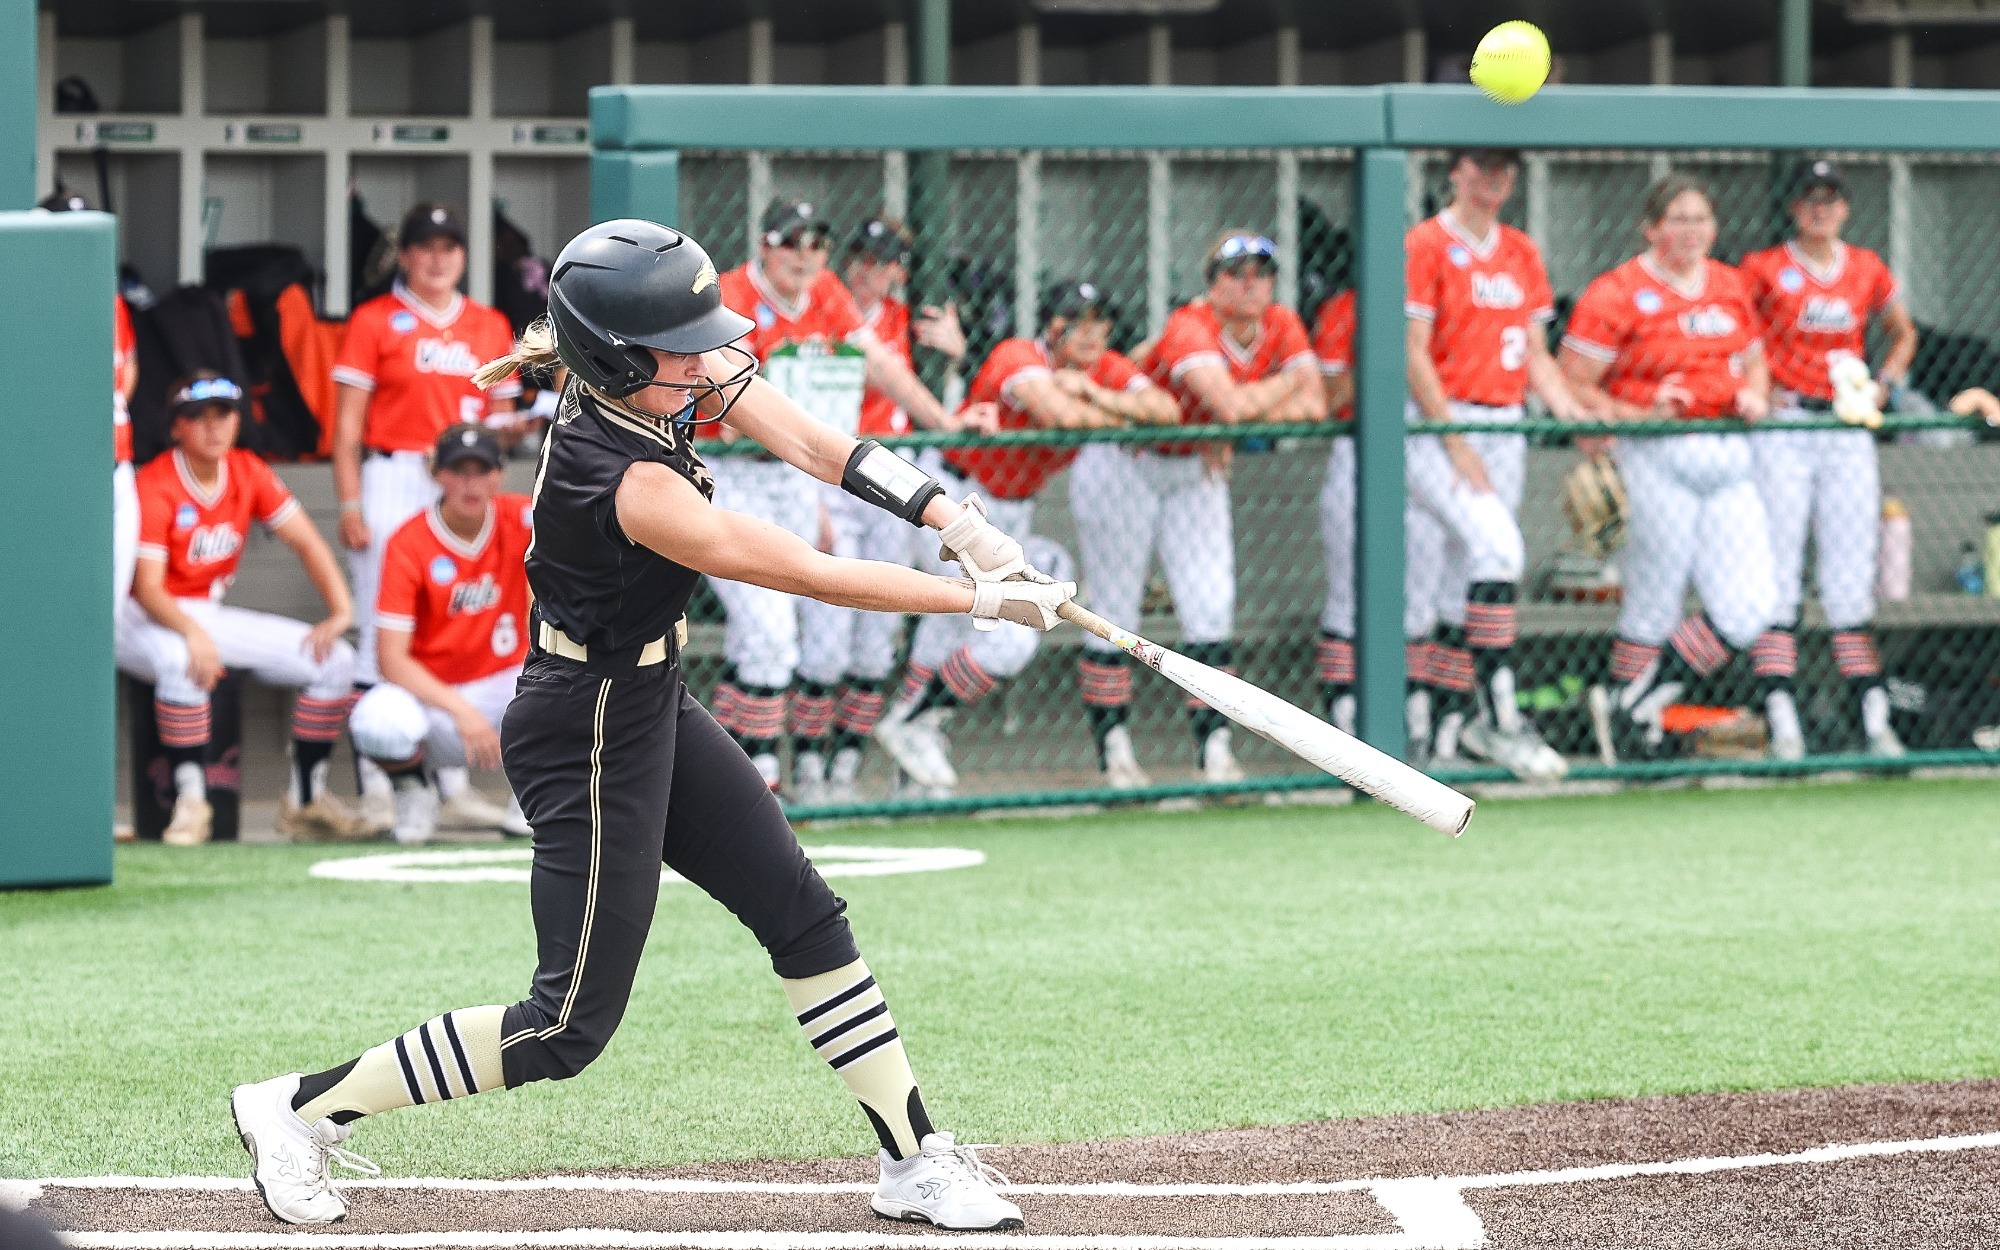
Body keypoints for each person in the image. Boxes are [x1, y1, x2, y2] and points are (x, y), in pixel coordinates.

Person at [228, 220, 1070, 1232]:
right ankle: (298, 1107)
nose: (707, 358)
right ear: (620, 357)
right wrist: (975, 601)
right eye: (680, 344)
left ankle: (912, 1159)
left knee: (804, 914)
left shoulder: (648, 375)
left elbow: (809, 439)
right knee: (565, 1024)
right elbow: (800, 569)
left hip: (647, 694)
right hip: (581, 722)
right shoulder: (622, 479)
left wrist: (955, 519)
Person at [708, 200, 986, 796]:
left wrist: (941, 419)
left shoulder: (826, 292)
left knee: (777, 637)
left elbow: (881, 367)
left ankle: (742, 777)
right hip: (729, 472)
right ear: (765, 244)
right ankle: (755, 782)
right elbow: (725, 417)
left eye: (815, 245)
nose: (804, 257)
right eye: (791, 243)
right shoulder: (730, 293)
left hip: (796, 474)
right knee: (772, 635)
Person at [1322, 150, 1581, 779]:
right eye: (1480, 166)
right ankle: (1500, 720)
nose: (1493, 178)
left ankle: (1438, 733)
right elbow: (1413, 351)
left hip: (1506, 421)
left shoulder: (1520, 249)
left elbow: (1539, 355)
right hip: (1440, 421)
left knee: (1457, 582)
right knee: (1500, 552)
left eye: (1505, 169)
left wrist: (1580, 423)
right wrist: (1452, 436)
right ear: (1455, 174)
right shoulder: (1425, 243)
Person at [876, 280, 1178, 794]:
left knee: (959, 626)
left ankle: (915, 735)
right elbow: (1058, 415)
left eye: (1100, 322)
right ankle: (913, 727)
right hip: (957, 500)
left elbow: (1168, 412)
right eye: (1079, 322)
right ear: (1054, 328)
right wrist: (1108, 411)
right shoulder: (1019, 354)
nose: (1092, 334)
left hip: (1010, 512)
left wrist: (1096, 394)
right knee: (1008, 634)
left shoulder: (1102, 371)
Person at [1069, 231, 1323, 785]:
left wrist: (1229, 421)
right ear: (1212, 283)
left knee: (1210, 607)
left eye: (1261, 272)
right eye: (1236, 273)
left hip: (1195, 468)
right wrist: (1278, 388)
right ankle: (1113, 753)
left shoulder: (1281, 322)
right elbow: (1230, 406)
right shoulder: (1190, 324)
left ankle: (1215, 753)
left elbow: (1316, 403)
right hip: (1126, 464)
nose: (1250, 283)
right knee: (1114, 609)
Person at [1559, 175, 1780, 759]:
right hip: (1656, 451)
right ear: (1651, 227)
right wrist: (1638, 411)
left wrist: (1755, 393)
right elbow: (1572, 383)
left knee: (1750, 606)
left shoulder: (1730, 286)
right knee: (1652, 603)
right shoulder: (1616, 291)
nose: (1690, 231)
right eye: (1677, 220)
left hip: (1729, 455)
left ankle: (1633, 703)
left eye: (1700, 219)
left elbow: (1754, 363)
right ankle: (1635, 732)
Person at [331, 203, 520, 829]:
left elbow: (502, 421)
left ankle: (455, 787)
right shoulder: (375, 318)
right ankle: (381, 786)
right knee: (378, 638)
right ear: (404, 255)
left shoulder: (489, 324)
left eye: (449, 247)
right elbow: (348, 427)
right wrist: (351, 502)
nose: (438, 259)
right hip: (394, 474)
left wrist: (541, 407)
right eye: (425, 247)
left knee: (454, 623)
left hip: (464, 473)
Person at [117, 373, 362, 845]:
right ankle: (192, 802)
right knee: (180, 660)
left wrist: (340, 612)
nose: (213, 427)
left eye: (223, 415)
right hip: (136, 617)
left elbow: (309, 544)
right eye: (198, 418)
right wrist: (193, 634)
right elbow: (147, 588)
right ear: (176, 428)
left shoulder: (247, 469)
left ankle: (305, 802)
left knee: (336, 661)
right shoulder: (158, 480)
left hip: (201, 613)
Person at [785, 217, 973, 804]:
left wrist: (956, 357)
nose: (873, 269)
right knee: (827, 638)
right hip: (834, 470)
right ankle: (809, 767)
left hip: (894, 476)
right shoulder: (824, 303)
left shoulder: (906, 317)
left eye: (886, 259)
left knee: (877, 636)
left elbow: (926, 389)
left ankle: (847, 762)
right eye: (864, 255)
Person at [1738, 159, 1918, 759]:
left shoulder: (1864, 266)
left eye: (1831, 200)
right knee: (1779, 572)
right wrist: (1760, 385)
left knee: (1848, 576)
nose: (1821, 209)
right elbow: (1739, 334)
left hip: (1846, 425)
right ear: (1794, 208)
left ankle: (1874, 717)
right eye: (1810, 199)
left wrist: (1885, 385)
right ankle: (1782, 718)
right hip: (1785, 426)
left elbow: (1902, 330)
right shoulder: (1765, 267)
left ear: (1845, 208)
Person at [347, 425, 535, 844]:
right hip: (433, 697)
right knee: (374, 722)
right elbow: (390, 659)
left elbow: (581, 525)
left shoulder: (521, 516)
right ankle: (415, 790)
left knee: (574, 691)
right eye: (459, 470)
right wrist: (460, 711)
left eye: (481, 470)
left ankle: (534, 797)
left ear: (498, 475)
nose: (470, 482)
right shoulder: (409, 541)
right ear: (437, 474)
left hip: (504, 684)